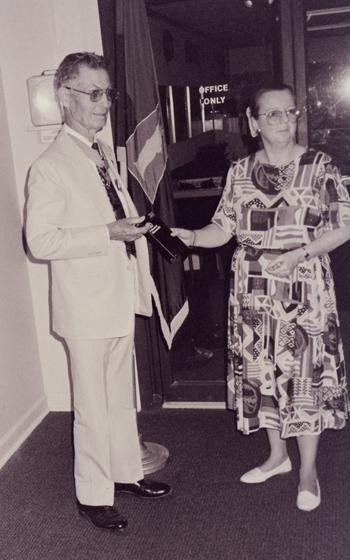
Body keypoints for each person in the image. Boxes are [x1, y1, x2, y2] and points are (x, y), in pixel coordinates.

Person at [172, 81, 350, 512]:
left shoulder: (319, 165)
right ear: (253, 123)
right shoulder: (238, 172)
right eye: (272, 113)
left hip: (304, 285)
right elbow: (224, 227)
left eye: (290, 112)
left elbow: (343, 226)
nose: (284, 120)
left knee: (304, 374)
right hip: (253, 289)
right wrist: (192, 235)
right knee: (263, 370)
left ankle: (308, 470)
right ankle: (277, 457)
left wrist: (300, 253)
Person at [25, 52, 171, 532]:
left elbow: (113, 216)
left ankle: (127, 472)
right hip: (84, 308)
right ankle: (92, 495)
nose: (104, 102)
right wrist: (107, 232)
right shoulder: (48, 166)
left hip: (116, 295)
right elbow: (40, 241)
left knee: (117, 396)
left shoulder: (100, 153)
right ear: (64, 97)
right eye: (93, 93)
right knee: (91, 407)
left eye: (106, 92)